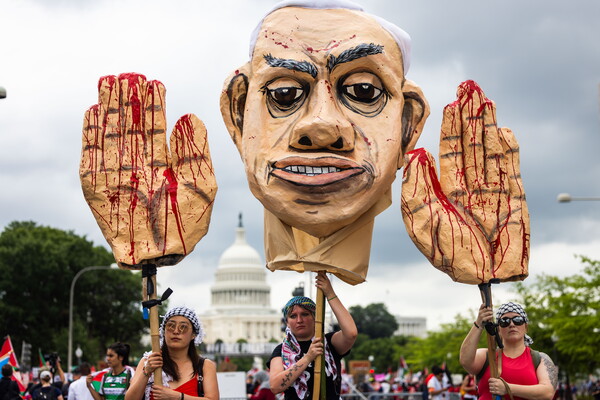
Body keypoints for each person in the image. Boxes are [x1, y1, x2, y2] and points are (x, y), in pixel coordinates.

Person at [267, 272, 357, 399]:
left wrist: (330, 294)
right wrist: (308, 358)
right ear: (287, 322)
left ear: (315, 318)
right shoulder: (280, 351)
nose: (299, 320)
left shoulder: (328, 343)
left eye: (305, 314)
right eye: (293, 316)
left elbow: (351, 333)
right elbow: (275, 386)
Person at [459, 302, 558, 400]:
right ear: (498, 329)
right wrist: (479, 324)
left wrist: (507, 388)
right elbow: (465, 361)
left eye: (517, 320)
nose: (511, 324)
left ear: (526, 327)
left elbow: (547, 393)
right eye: (504, 321)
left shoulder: (540, 359)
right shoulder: (487, 356)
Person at [125, 306, 218, 400]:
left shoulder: (204, 366)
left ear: (193, 334)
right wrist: (146, 372)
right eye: (171, 326)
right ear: (164, 332)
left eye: (183, 327)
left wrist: (178, 397)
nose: (176, 331)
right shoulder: (148, 361)